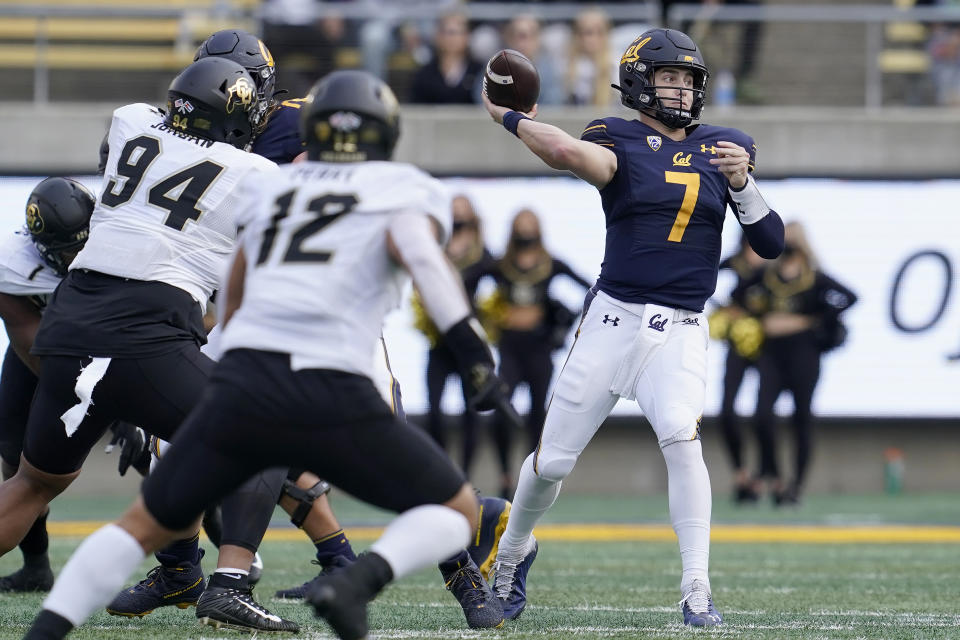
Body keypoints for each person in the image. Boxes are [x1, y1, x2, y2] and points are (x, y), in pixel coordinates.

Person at [21, 68, 515, 640]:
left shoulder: (265, 186)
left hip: (246, 375)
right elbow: (427, 264)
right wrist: (475, 356)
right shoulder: (397, 186)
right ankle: (351, 580)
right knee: (456, 507)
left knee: (139, 524)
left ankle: (58, 628)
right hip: (332, 379)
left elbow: (234, 285)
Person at [481, 27, 784, 626]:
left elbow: (770, 243)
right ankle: (513, 551)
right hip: (612, 320)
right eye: (668, 77)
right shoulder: (617, 135)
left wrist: (744, 184)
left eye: (687, 79)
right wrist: (510, 120)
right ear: (642, 81)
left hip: (681, 329)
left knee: (682, 438)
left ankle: (697, 585)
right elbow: (572, 154)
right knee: (554, 463)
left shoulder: (726, 146)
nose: (679, 89)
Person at [0, 50, 272, 608]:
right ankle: (230, 584)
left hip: (74, 315)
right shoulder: (256, 174)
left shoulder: (131, 121)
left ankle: (181, 570)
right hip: (149, 324)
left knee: (34, 483)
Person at [0, 178, 93, 593]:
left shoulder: (121, 242)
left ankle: (232, 567)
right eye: (67, 249)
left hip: (117, 346)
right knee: (12, 451)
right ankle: (36, 566)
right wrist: (96, 396)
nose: (78, 257)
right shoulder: (12, 266)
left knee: (168, 452)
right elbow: (30, 344)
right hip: (45, 350)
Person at [736, 222, 857, 505]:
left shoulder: (814, 277)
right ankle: (775, 477)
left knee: (801, 418)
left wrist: (810, 321)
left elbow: (850, 298)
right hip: (771, 354)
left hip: (804, 354)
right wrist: (759, 320)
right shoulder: (766, 276)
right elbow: (737, 295)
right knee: (762, 415)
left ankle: (796, 486)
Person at [476, 209, 591, 498]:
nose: (525, 231)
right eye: (520, 226)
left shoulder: (550, 264)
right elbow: (467, 283)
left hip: (539, 348)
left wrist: (561, 321)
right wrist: (483, 316)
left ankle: (533, 479)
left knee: (538, 413)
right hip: (510, 347)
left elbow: (590, 288)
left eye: (530, 225)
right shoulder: (500, 265)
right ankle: (505, 475)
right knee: (503, 406)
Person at [413, 194, 495, 472]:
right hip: (439, 340)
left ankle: (465, 474)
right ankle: (442, 469)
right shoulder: (434, 250)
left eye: (463, 212)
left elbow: (501, 284)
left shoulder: (483, 253)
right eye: (454, 211)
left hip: (468, 343)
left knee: (472, 409)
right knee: (434, 408)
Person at [710, 234, 767, 503]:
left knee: (764, 414)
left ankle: (763, 476)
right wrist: (724, 310)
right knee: (727, 410)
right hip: (739, 344)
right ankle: (741, 473)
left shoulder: (772, 266)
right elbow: (706, 281)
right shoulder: (733, 264)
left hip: (768, 346)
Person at [410, 11, 483, 104]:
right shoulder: (424, 74)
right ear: (438, 36)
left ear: (467, 36)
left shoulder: (479, 72)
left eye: (457, 32)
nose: (451, 38)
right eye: (447, 33)